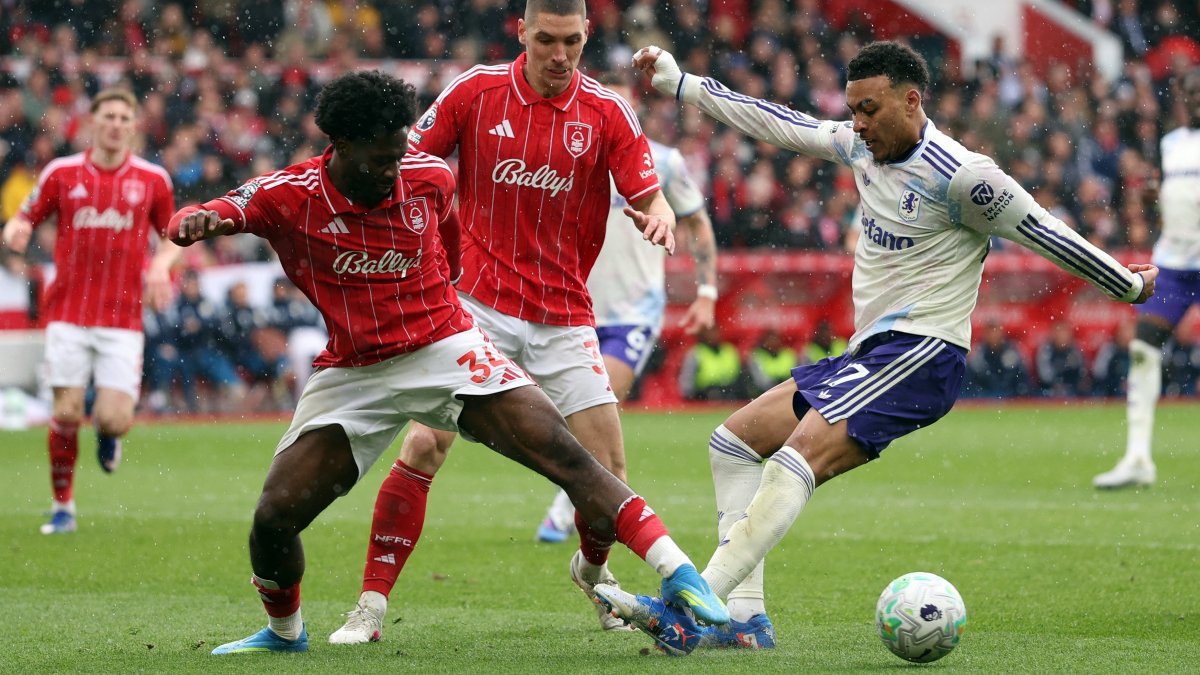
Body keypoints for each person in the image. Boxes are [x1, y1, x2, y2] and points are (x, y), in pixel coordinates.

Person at [590, 41, 1158, 655]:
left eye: (869, 108)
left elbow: (1042, 228)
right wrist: (685, 85)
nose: (857, 123)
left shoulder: (964, 176)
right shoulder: (861, 145)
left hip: (923, 352)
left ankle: (691, 610)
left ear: (912, 101)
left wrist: (1124, 284)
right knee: (733, 442)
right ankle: (745, 619)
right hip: (869, 354)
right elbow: (781, 123)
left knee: (794, 459)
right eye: (852, 109)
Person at [169, 70, 725, 656]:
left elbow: (453, 250)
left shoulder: (428, 177)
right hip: (353, 371)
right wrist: (195, 222)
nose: (392, 171)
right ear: (340, 146)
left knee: (564, 452)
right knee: (274, 518)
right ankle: (285, 634)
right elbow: (213, 211)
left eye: (398, 154)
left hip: (444, 348)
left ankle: (681, 574)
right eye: (380, 160)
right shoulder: (290, 195)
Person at [329, 0, 687, 644]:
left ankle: (594, 573)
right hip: (476, 307)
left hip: (565, 314)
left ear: (586, 37)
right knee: (425, 444)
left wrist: (658, 212)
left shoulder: (607, 112)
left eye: (572, 42)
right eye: (546, 40)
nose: (559, 56)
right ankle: (371, 607)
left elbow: (647, 189)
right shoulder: (475, 92)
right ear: (520, 31)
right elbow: (404, 161)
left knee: (606, 475)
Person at [535, 72, 720, 544]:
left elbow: (697, 224)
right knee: (556, 415)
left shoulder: (664, 162)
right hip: (570, 305)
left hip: (634, 311)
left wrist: (706, 292)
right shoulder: (567, 156)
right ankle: (580, 494)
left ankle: (565, 506)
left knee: (601, 403)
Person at [1, 88, 180, 535]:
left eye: (125, 117)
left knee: (113, 418)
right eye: (109, 116)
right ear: (92, 122)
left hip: (123, 318)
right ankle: (63, 507)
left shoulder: (154, 179)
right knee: (64, 413)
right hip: (67, 314)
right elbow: (25, 214)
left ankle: (107, 434)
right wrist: (18, 229)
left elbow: (173, 236)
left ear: (134, 125)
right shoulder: (62, 174)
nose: (117, 124)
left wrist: (160, 267)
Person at [1094, 68, 1200, 489]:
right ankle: (1138, 457)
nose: (1194, 99)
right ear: (1179, 98)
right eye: (1189, 92)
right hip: (1175, 262)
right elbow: (1164, 195)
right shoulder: (1170, 144)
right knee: (1142, 348)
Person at [678, 324, 746, 401]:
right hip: (706, 397)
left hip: (730, 394)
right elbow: (687, 384)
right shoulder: (695, 353)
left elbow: (740, 376)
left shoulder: (729, 350)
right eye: (709, 332)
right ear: (702, 334)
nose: (713, 335)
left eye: (715, 331)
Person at [745, 328, 798, 397]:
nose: (773, 341)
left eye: (775, 339)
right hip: (763, 394)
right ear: (764, 341)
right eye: (770, 339)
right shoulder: (757, 355)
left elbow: (794, 377)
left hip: (787, 393)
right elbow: (760, 381)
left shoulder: (788, 354)